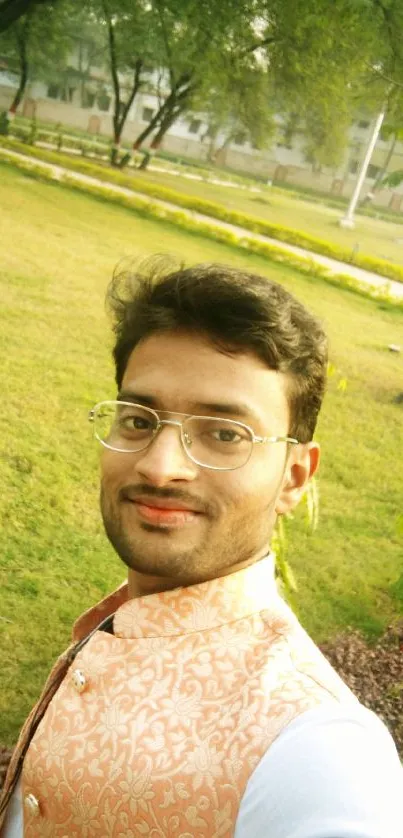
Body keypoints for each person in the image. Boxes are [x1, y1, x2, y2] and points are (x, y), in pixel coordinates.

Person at [0, 257, 401, 838]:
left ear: (293, 477)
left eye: (225, 434)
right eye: (139, 419)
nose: (160, 468)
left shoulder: (320, 751)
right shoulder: (118, 621)